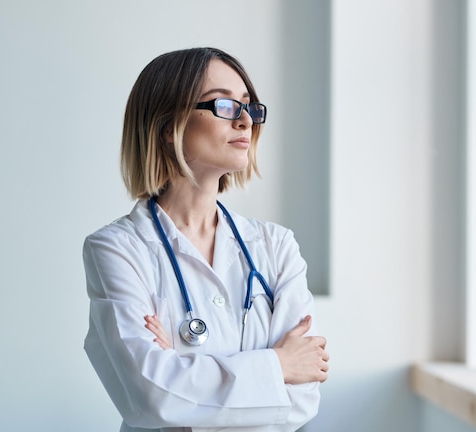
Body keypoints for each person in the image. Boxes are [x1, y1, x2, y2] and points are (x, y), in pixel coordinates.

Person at [83, 47, 329, 432]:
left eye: (249, 106)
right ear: (168, 126)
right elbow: (148, 398)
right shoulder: (117, 249)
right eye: (225, 105)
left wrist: (181, 378)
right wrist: (278, 366)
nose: (246, 120)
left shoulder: (276, 246)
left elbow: (303, 399)